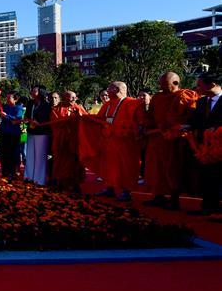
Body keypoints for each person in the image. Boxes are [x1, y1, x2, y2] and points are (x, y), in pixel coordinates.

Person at [143, 73, 197, 210]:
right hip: (156, 139)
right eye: (160, 83)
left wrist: (174, 128)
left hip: (175, 140)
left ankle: (174, 198)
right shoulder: (157, 97)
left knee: (173, 169)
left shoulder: (186, 95)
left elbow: (191, 118)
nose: (160, 86)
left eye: (164, 83)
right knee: (155, 169)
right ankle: (158, 196)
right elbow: (150, 116)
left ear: (175, 83)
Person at [95, 81, 144, 201]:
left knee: (125, 167)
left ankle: (126, 191)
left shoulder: (134, 103)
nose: (107, 91)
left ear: (117, 90)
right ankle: (109, 188)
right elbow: (98, 119)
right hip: (109, 142)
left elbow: (141, 123)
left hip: (126, 143)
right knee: (109, 166)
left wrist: (128, 128)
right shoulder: (107, 105)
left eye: (109, 89)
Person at [187, 73, 222, 215]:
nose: (197, 88)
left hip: (220, 147)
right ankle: (208, 206)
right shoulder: (201, 102)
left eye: (200, 85)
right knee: (207, 177)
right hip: (205, 149)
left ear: (212, 84)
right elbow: (195, 122)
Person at [49, 91, 88, 192]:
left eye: (75, 97)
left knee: (76, 163)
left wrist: (81, 118)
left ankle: (75, 184)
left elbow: (86, 120)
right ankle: (60, 183)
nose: (73, 100)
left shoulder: (78, 107)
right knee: (61, 162)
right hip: (62, 141)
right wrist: (68, 120)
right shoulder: (57, 108)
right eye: (71, 98)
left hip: (75, 141)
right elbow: (54, 123)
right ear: (65, 98)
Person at [24, 85, 52, 185]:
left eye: (34, 91)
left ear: (41, 92)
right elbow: (27, 115)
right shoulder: (30, 103)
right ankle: (28, 176)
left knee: (40, 156)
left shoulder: (46, 104)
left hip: (42, 132)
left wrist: (39, 123)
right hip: (31, 131)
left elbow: (47, 118)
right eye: (31, 90)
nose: (31, 92)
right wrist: (28, 121)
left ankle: (39, 179)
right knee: (30, 155)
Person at [0, 91, 25, 180]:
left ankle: (14, 172)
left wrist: (6, 116)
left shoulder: (18, 108)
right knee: (3, 152)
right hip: (3, 132)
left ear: (15, 99)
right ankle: (5, 171)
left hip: (13, 134)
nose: (7, 99)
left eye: (9, 97)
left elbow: (17, 119)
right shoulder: (5, 106)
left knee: (13, 153)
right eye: (7, 97)